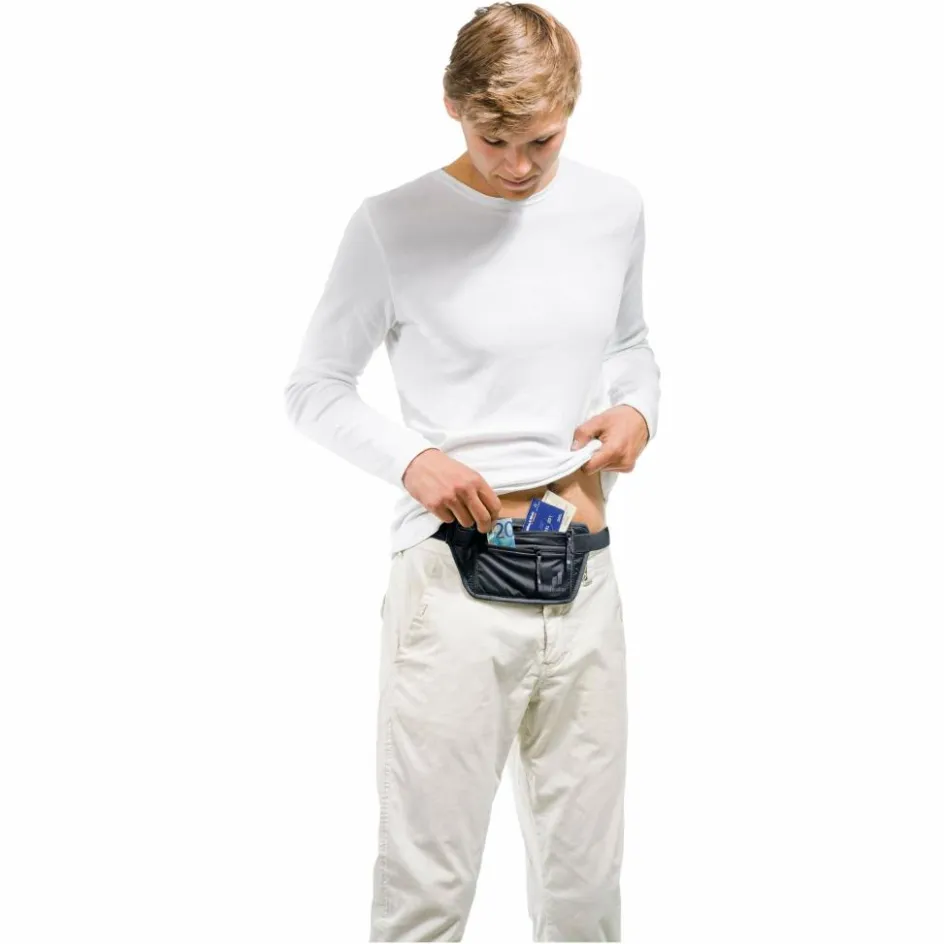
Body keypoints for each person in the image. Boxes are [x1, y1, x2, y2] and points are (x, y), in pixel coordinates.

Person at [283, 4, 661, 939]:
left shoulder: (614, 208)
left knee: (586, 892)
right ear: (452, 107)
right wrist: (413, 460)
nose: (520, 166)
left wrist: (638, 408)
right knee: (429, 889)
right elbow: (314, 387)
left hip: (587, 575)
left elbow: (630, 343)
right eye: (496, 141)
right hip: (453, 585)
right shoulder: (393, 224)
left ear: (571, 110)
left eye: (543, 141)